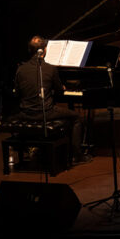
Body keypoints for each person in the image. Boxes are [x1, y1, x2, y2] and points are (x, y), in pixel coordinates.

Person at [13, 36, 87, 164]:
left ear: (29, 50)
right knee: (76, 117)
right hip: (45, 112)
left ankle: (37, 148)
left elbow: (17, 93)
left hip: (25, 113)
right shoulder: (50, 68)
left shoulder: (20, 69)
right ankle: (77, 155)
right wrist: (60, 87)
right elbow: (60, 92)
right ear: (44, 50)